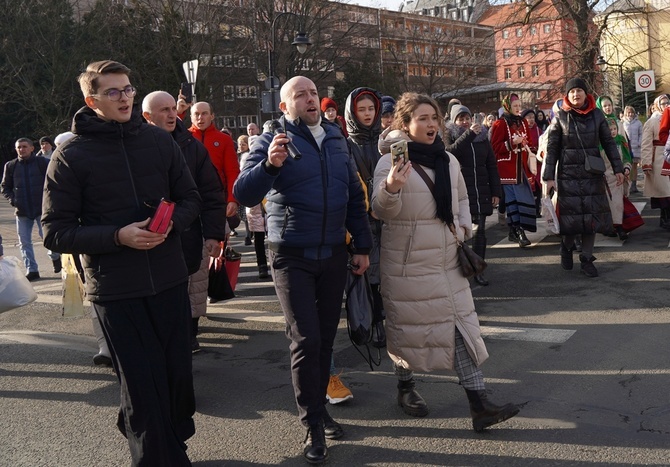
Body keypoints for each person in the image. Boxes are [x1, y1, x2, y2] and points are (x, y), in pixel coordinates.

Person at [41, 60, 201, 466]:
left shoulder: (159, 141)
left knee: (177, 382)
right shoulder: (70, 155)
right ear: (91, 100)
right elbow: (55, 232)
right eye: (113, 92)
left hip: (168, 278)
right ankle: (155, 455)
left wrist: (170, 226)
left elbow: (190, 199)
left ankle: (157, 433)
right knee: (144, 388)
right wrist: (118, 236)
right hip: (116, 289)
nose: (124, 97)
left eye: (128, 89)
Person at [233, 76, 372, 465]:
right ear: (284, 106)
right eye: (300, 95)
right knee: (306, 339)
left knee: (326, 338)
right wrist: (270, 165)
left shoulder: (335, 138)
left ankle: (321, 407)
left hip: (331, 253)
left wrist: (362, 245)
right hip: (290, 254)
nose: (309, 99)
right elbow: (243, 192)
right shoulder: (270, 140)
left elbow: (352, 199)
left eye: (312, 93)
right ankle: (312, 424)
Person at [372, 92, 519, 430]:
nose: (431, 124)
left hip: (448, 260)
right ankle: (405, 386)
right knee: (406, 330)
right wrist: (392, 186)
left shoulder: (447, 159)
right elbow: (381, 211)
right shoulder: (389, 162)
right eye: (422, 119)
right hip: (408, 264)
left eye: (434, 118)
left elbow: (463, 196)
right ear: (406, 125)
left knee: (460, 329)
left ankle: (479, 404)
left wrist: (464, 225)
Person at [142, 90, 227, 353]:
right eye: (164, 110)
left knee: (190, 286)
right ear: (147, 116)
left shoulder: (193, 147)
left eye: (172, 109)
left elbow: (211, 193)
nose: (172, 115)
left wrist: (213, 235)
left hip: (187, 232)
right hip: (146, 237)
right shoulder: (134, 147)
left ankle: (188, 335)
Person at [544, 77, 625, 277]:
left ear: (585, 94)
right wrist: (548, 177)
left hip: (592, 174)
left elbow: (609, 142)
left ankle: (587, 259)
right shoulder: (560, 117)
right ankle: (566, 247)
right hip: (568, 176)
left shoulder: (597, 115)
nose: (576, 94)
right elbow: (552, 148)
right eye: (572, 91)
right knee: (572, 221)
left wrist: (618, 168)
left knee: (591, 219)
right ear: (567, 95)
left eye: (579, 90)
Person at [345, 87, 386, 348]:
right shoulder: (345, 143)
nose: (367, 114)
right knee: (370, 271)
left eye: (371, 108)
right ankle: (375, 321)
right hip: (363, 216)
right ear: (352, 112)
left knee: (390, 270)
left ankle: (388, 317)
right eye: (362, 109)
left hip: (389, 213)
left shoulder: (386, 140)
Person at [444, 104, 501, 286]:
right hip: (462, 193)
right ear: (454, 121)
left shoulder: (483, 137)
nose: (465, 122)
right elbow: (450, 154)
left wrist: (496, 192)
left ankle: (478, 269)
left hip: (481, 190)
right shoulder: (450, 136)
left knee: (481, 232)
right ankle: (463, 269)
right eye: (461, 118)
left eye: (467, 118)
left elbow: (491, 165)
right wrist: (468, 135)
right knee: (462, 233)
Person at [1, 137, 60, 280]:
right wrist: (13, 200)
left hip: (42, 209)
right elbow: (5, 187)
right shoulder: (11, 166)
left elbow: (54, 182)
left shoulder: (43, 163)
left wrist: (49, 201)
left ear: (32, 148)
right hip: (22, 211)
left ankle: (55, 256)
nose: (21, 149)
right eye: (19, 147)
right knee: (24, 242)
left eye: (24, 146)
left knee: (47, 237)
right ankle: (32, 269)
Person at [490, 94, 537, 247]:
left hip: (522, 168)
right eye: (515, 106)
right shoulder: (500, 124)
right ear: (507, 107)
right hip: (507, 170)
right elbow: (495, 148)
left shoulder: (523, 122)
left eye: (519, 106)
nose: (518, 108)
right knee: (513, 202)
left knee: (525, 198)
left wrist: (528, 146)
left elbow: (529, 142)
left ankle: (515, 230)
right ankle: (519, 231)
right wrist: (511, 143)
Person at [188, 101, 240, 219]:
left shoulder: (224, 139)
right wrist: (179, 113)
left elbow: (232, 171)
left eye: (204, 113)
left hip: (216, 198)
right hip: (188, 198)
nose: (200, 118)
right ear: (191, 117)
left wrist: (233, 199)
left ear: (212, 116)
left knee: (215, 235)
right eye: (196, 114)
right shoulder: (184, 137)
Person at [237, 135, 269, 279]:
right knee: (259, 237)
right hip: (256, 205)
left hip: (268, 203)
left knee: (273, 237)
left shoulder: (273, 156)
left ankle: (274, 263)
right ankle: (262, 265)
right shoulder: (247, 160)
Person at [640, 94, 670, 229]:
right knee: (664, 190)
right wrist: (646, 163)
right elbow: (646, 144)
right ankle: (665, 217)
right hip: (658, 158)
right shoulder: (652, 121)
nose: (666, 105)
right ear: (657, 105)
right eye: (663, 103)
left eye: (667, 102)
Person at [601, 118, 632, 241]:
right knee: (609, 204)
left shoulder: (621, 141)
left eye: (614, 129)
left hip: (619, 176)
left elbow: (626, 157)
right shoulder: (600, 143)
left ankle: (619, 227)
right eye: (610, 130)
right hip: (606, 177)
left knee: (618, 203)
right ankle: (613, 227)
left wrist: (626, 168)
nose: (613, 132)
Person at [237, 135, 253, 246]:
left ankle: (248, 235)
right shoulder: (236, 155)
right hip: (239, 185)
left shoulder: (249, 156)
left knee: (249, 214)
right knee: (243, 214)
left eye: (244, 144)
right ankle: (249, 233)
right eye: (240, 144)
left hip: (247, 186)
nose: (241, 146)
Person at [623, 106, 642, 193]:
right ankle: (628, 184)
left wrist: (639, 142)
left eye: (632, 112)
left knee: (634, 167)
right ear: (626, 113)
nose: (630, 114)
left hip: (635, 148)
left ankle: (634, 185)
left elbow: (641, 134)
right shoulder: (623, 123)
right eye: (628, 113)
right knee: (627, 167)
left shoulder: (638, 123)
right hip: (627, 148)